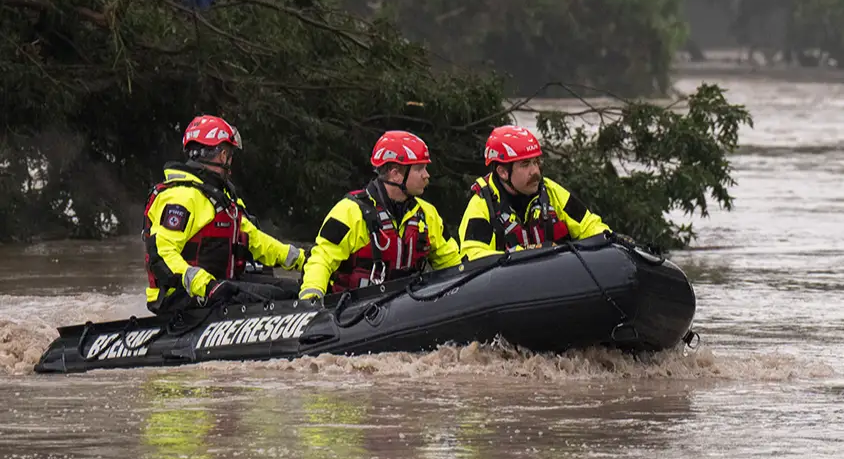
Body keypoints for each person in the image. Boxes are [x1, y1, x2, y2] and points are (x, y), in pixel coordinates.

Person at [143, 115, 306, 314]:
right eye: (230, 154)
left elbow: (255, 241)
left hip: (218, 287)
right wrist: (207, 286)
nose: (231, 162)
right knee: (281, 298)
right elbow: (162, 254)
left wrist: (302, 259)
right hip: (183, 296)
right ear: (222, 155)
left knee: (293, 290)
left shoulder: (222, 198)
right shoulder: (181, 197)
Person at [299, 130, 461, 301]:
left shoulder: (427, 215)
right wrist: (312, 296)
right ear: (395, 172)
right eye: (419, 168)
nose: (427, 175)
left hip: (408, 309)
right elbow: (322, 258)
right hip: (352, 312)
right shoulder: (350, 211)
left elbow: (452, 263)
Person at [458, 125, 609, 262]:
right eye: (525, 165)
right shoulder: (482, 205)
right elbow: (474, 256)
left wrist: (608, 239)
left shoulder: (551, 191)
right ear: (503, 172)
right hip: (510, 287)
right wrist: (521, 254)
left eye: (536, 162)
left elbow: (589, 225)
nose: (535, 171)